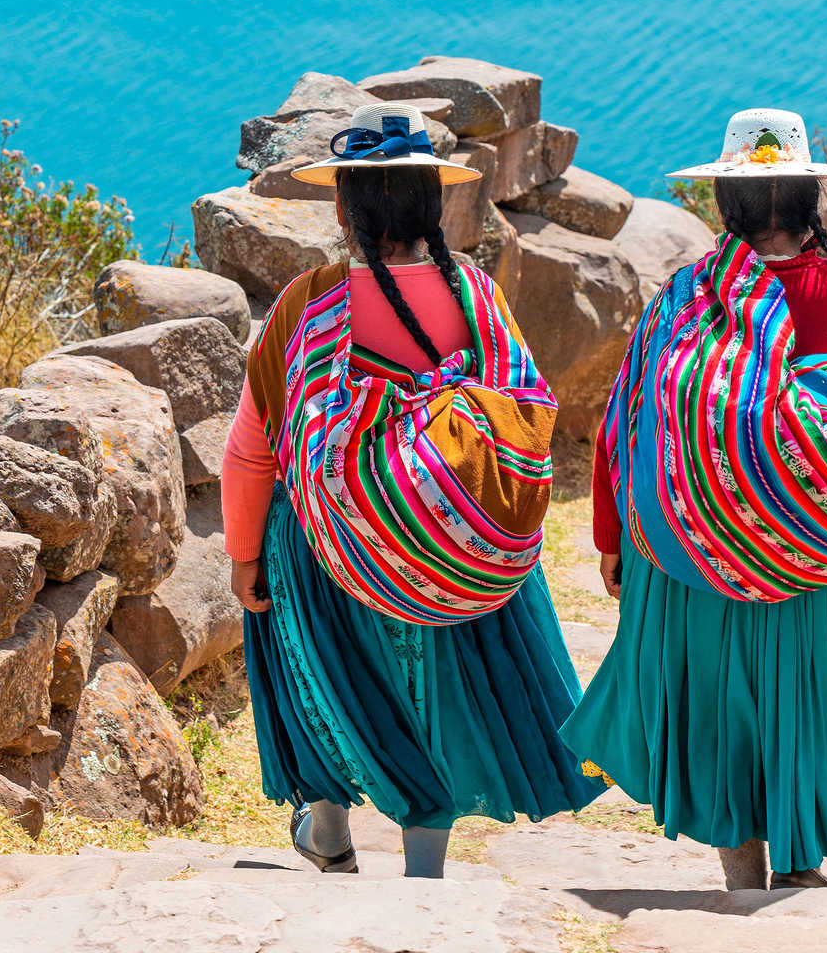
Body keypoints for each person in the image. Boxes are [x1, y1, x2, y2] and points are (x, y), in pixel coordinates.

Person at [561, 108, 827, 890]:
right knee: (813, 699)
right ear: (811, 197)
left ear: (724, 204)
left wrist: (614, 537)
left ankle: (743, 869)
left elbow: (631, 420)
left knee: (721, 703)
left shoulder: (690, 297)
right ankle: (801, 865)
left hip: (700, 548)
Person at [223, 101, 604, 879]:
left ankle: (326, 821)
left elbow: (252, 452)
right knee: (439, 681)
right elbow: (520, 414)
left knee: (311, 658)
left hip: (333, 550)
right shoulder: (476, 298)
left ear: (342, 204)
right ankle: (424, 865)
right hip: (452, 529)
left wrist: (240, 557)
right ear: (435, 203)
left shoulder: (307, 303)